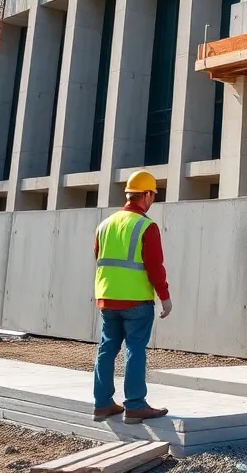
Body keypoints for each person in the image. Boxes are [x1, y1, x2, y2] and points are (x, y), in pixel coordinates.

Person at [92, 169, 172, 422]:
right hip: (136, 300)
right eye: (153, 195)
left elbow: (98, 256)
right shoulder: (146, 226)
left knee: (107, 348)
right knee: (135, 349)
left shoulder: (105, 224)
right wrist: (165, 296)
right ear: (146, 195)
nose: (153, 200)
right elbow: (154, 265)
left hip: (107, 297)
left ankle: (102, 404)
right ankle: (135, 405)